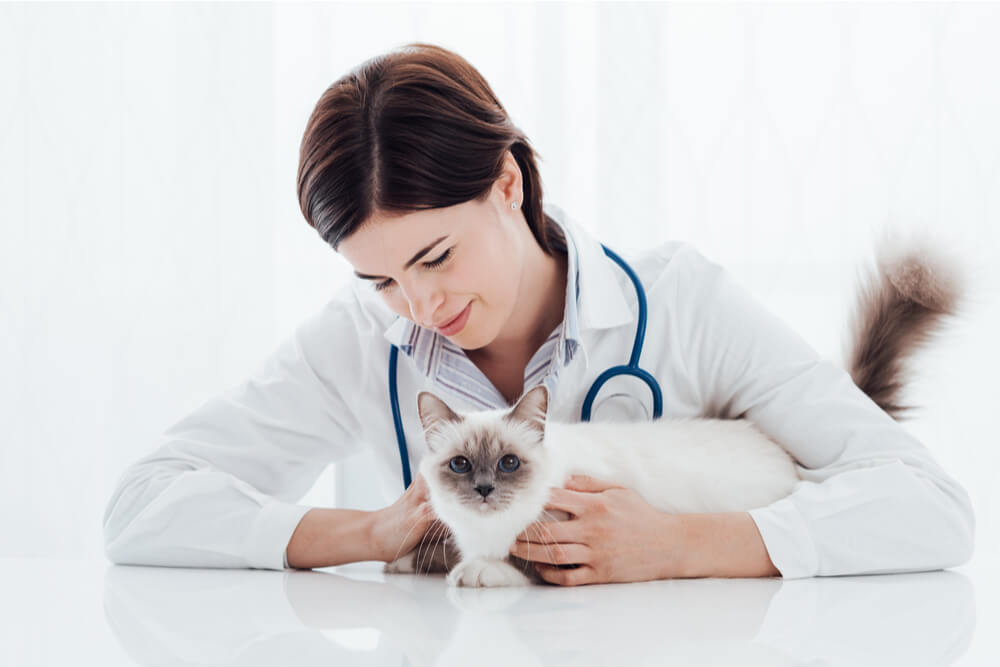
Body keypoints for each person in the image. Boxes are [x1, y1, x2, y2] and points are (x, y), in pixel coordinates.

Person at [103, 42, 974, 585]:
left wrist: (681, 543)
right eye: (382, 282)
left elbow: (930, 506)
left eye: (436, 257)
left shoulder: (681, 303)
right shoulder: (358, 339)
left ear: (509, 184)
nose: (421, 306)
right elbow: (142, 506)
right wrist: (369, 530)